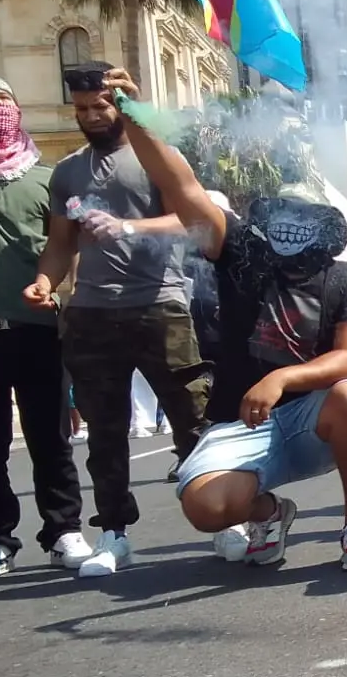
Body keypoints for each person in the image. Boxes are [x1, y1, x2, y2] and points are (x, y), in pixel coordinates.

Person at [106, 70, 347, 570]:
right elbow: (179, 182)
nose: (290, 225)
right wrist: (134, 115)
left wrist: (282, 377)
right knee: (207, 507)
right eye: (282, 214)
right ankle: (269, 512)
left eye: (304, 217)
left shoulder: (346, 278)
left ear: (325, 227)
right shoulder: (237, 250)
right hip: (242, 420)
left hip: (313, 421)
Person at [25, 60, 210, 577]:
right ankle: (113, 533)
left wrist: (130, 227)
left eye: (99, 106)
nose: (89, 116)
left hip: (160, 304)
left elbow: (190, 219)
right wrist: (44, 282)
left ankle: (223, 519)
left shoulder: (158, 158)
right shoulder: (67, 172)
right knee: (105, 433)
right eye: (81, 109)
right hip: (90, 312)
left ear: (120, 103)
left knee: (192, 419)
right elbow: (60, 244)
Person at [0, 75, 91, 582]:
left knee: (50, 439)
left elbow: (69, 245)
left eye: (3, 97)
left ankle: (62, 531)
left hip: (38, 329)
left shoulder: (49, 178)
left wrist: (62, 296)